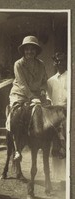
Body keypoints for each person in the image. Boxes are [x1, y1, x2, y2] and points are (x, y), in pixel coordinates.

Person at [8, 35, 48, 160]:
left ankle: (53, 144)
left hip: (36, 95)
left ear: (36, 51)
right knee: (16, 114)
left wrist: (42, 90)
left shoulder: (41, 64)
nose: (29, 51)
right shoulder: (18, 64)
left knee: (48, 113)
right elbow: (22, 84)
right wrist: (31, 97)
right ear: (23, 51)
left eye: (32, 49)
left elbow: (44, 80)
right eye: (27, 49)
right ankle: (17, 148)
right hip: (19, 94)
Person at [47, 52, 67, 189]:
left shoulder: (71, 76)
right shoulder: (50, 81)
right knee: (57, 146)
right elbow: (49, 98)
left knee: (68, 144)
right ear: (54, 63)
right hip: (55, 117)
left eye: (62, 60)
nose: (59, 63)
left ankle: (70, 177)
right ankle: (61, 179)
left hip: (69, 114)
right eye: (57, 61)